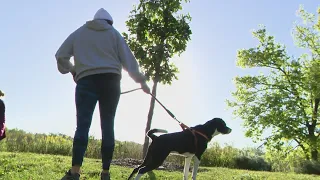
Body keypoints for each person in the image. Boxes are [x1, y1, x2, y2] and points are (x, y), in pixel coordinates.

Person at [55, 8, 150, 180]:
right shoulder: (114, 34)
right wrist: (141, 81)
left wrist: (72, 70)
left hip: (86, 82)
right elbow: (129, 61)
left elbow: (61, 56)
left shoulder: (79, 33)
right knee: (108, 126)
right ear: (109, 22)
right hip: (111, 83)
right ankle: (105, 173)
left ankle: (75, 172)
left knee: (82, 126)